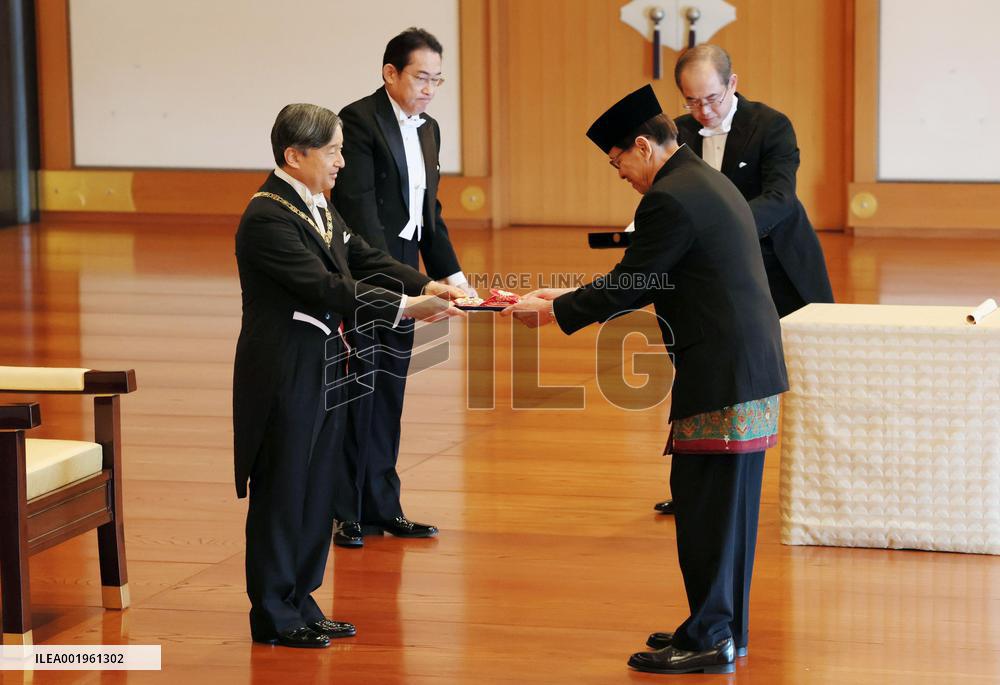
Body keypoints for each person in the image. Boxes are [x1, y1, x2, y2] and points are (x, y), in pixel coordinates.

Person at [502, 85, 788, 675]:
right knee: (726, 509)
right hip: (744, 366)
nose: (620, 175)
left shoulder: (670, 197)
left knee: (707, 506)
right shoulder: (702, 183)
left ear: (641, 146)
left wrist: (555, 313)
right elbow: (655, 277)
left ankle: (709, 637)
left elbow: (632, 281)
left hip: (722, 372)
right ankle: (723, 627)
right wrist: (568, 297)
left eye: (617, 162)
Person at [233, 103, 465, 648]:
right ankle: (273, 611)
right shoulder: (268, 216)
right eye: (333, 151)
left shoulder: (316, 206)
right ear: (295, 155)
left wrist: (428, 284)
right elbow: (328, 289)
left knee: (317, 486)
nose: (342, 162)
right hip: (284, 371)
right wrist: (407, 308)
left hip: (326, 364)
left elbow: (361, 256)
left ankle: (302, 598)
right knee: (285, 486)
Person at [654, 43, 834, 517]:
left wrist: (722, 232)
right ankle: (704, 484)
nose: (702, 111)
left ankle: (820, 489)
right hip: (710, 280)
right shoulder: (679, 133)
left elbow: (780, 197)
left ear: (733, 84)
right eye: (691, 101)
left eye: (710, 98)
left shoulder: (771, 125)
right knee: (708, 375)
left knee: (807, 377)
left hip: (777, 265)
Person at [330, 27, 476, 547]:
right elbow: (363, 222)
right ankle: (347, 510)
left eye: (437, 79)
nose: (430, 89)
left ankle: (383, 505)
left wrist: (457, 280)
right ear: (390, 73)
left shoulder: (429, 128)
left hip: (407, 263)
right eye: (421, 77)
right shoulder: (358, 121)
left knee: (390, 387)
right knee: (358, 388)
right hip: (369, 272)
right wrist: (415, 287)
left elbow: (427, 213)